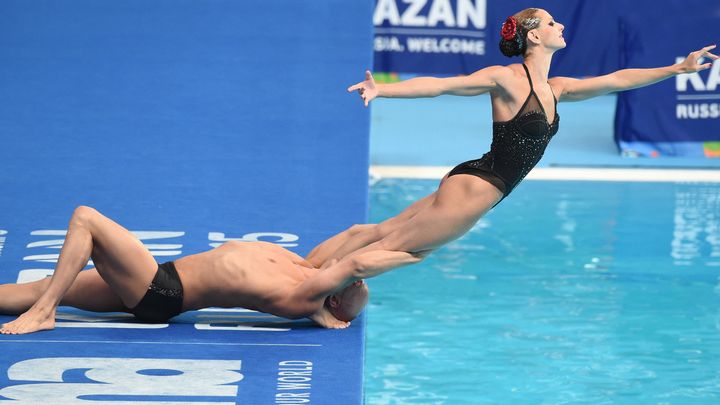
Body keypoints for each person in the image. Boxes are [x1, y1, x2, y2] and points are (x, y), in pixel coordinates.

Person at [306, 8, 718, 268]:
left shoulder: (558, 88)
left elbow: (616, 80)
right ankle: (314, 292)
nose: (561, 25)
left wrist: (677, 69)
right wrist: (384, 90)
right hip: (477, 188)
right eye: (551, 22)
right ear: (534, 36)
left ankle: (309, 267)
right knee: (402, 250)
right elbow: (444, 85)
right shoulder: (507, 78)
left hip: (475, 179)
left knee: (383, 232)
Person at [0, 206, 423, 335]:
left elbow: (356, 261)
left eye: (354, 285)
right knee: (32, 288)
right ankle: (42, 303)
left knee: (85, 219)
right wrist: (427, 217)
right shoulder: (306, 266)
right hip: (157, 279)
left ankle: (45, 314)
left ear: (331, 294)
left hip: (159, 291)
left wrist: (419, 255)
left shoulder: (299, 297)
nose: (358, 276)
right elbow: (361, 235)